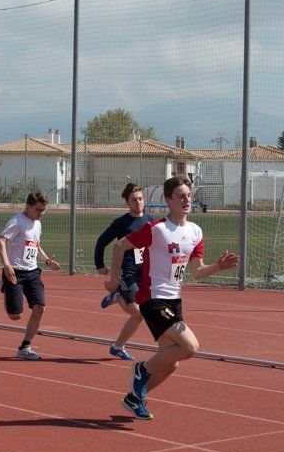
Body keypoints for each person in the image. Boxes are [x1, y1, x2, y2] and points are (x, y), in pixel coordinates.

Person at [106, 175, 238, 420]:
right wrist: (114, 280)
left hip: (174, 300)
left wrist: (217, 267)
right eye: (181, 196)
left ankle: (134, 398)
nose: (187, 200)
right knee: (190, 346)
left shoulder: (195, 232)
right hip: (152, 298)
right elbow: (119, 246)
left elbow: (197, 271)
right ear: (169, 200)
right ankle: (141, 369)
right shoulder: (156, 229)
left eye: (189, 195)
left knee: (171, 362)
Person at [0, 191, 62, 360]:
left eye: (43, 210)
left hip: (32, 272)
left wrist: (47, 261)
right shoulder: (17, 221)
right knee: (15, 316)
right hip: (15, 272)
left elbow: (35, 246)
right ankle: (4, 283)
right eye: (38, 210)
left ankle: (25, 347)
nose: (41, 213)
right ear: (29, 206)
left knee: (40, 308)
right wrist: (7, 265)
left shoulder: (37, 224)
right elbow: (0, 241)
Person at [94, 183, 154, 361]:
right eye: (134, 200)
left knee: (144, 312)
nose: (138, 202)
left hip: (144, 273)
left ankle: (118, 346)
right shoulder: (121, 223)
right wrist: (100, 265)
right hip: (125, 273)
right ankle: (118, 295)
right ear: (127, 202)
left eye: (141, 199)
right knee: (137, 312)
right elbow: (101, 242)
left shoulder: (150, 220)